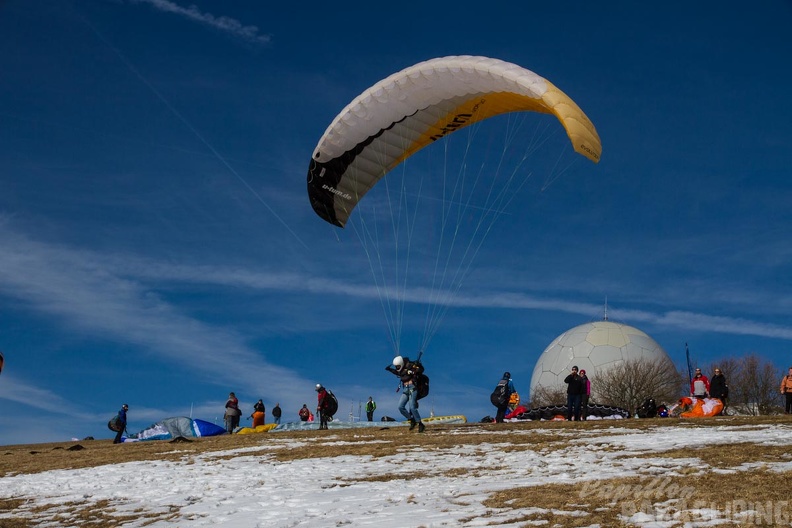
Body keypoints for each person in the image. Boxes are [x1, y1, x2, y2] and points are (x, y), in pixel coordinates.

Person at [386, 355, 425, 433]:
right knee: (400, 407)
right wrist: (389, 369)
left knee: (412, 407)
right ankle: (411, 420)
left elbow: (420, 370)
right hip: (405, 390)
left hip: (412, 389)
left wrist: (416, 368)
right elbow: (396, 372)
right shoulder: (400, 370)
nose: (397, 368)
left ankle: (420, 424)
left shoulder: (410, 366)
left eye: (398, 366)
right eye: (396, 367)